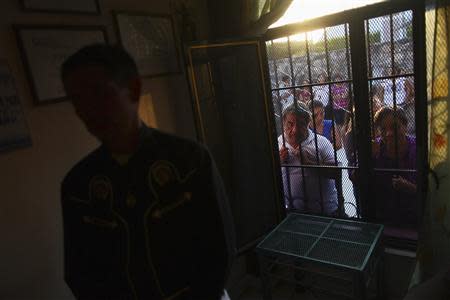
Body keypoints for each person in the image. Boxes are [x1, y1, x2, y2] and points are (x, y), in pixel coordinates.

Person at [60, 44, 236, 300]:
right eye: (77, 99)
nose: (88, 110)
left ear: (133, 89)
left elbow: (219, 251)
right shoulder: (78, 185)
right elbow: (79, 273)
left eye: (100, 93)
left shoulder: (189, 160)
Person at [278, 103, 338, 215]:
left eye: (300, 124)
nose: (295, 130)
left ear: (308, 123)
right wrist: (278, 162)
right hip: (290, 213)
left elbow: (336, 173)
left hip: (325, 212)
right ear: (283, 123)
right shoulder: (277, 143)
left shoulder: (322, 142)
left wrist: (309, 163)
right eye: (290, 124)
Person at [372, 106, 417, 226]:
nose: (388, 133)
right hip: (382, 218)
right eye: (383, 129)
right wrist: (369, 157)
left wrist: (411, 188)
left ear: (405, 126)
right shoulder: (375, 146)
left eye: (395, 127)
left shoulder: (417, 148)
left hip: (414, 218)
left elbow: (432, 192)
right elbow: (353, 176)